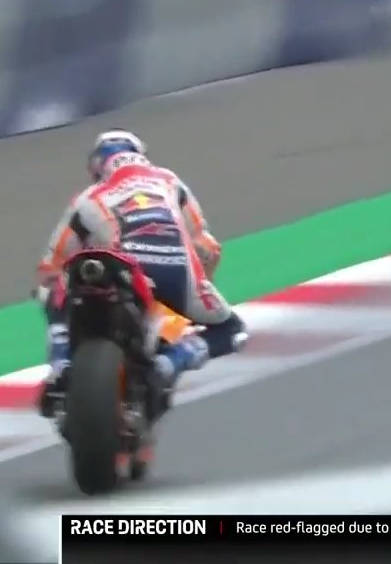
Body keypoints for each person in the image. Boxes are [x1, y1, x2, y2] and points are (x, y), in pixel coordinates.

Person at [34, 130, 249, 418]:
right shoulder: (169, 181)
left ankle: (60, 364)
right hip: (175, 273)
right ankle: (169, 364)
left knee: (52, 287)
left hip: (119, 271)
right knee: (232, 330)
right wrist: (201, 289)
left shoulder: (89, 196)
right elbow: (208, 248)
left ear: (98, 166)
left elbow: (51, 266)